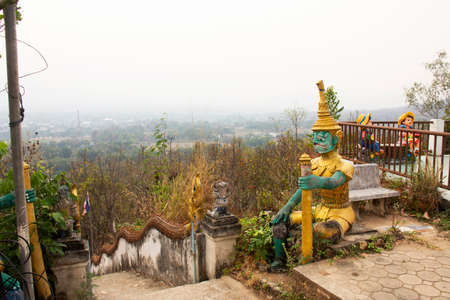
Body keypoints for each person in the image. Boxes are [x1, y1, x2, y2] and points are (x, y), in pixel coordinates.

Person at [270, 81, 355, 271]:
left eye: (323, 137)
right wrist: (287, 206)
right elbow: (303, 189)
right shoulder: (314, 163)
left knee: (323, 231)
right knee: (279, 220)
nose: (318, 141)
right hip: (319, 209)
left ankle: (307, 255)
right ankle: (279, 260)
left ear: (336, 138)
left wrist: (318, 181)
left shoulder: (345, 165)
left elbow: (334, 182)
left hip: (339, 212)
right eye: (316, 137)